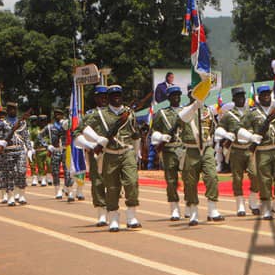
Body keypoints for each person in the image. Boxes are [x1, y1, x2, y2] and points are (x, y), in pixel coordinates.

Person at [82, 85, 142, 232]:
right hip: (109, 153)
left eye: (119, 94)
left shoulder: (129, 113)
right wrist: (96, 141)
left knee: (132, 182)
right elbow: (80, 129)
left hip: (127, 151)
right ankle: (113, 217)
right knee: (112, 187)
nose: (116, 97)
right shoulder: (99, 114)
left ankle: (131, 216)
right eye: (113, 95)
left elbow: (135, 134)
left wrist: (137, 152)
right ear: (108, 97)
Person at [175, 86, 224, 226]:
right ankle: (194, 211)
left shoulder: (208, 111)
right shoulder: (184, 111)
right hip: (190, 149)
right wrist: (194, 106)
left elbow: (214, 128)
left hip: (206, 148)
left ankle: (212, 210)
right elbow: (182, 119)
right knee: (190, 182)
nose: (196, 96)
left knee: (212, 177)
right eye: (193, 94)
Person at [245, 85, 275, 220]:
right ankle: (266, 207)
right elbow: (244, 130)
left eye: (268, 94)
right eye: (263, 94)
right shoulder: (252, 114)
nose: (266, 96)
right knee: (264, 181)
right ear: (258, 97)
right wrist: (252, 138)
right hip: (262, 151)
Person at [216, 86, 258, 216]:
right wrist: (227, 135)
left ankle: (252, 200)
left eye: (242, 96)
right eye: (238, 96)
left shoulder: (250, 113)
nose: (241, 99)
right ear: (233, 99)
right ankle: (240, 205)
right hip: (236, 150)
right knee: (237, 178)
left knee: (255, 175)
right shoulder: (228, 115)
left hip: (249, 149)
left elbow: (257, 128)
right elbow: (219, 129)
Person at [74, 86, 109, 226]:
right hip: (97, 153)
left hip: (114, 153)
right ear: (95, 98)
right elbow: (77, 133)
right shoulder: (90, 115)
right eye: (101, 97)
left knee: (114, 183)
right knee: (98, 182)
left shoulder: (116, 113)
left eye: (106, 96)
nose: (104, 99)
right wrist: (91, 145)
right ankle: (101, 212)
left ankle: (112, 212)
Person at [150, 85, 185, 221]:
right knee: (171, 181)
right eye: (173, 95)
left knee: (189, 178)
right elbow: (154, 132)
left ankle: (189, 204)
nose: (176, 97)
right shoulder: (161, 113)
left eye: (178, 95)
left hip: (184, 148)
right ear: (168, 98)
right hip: (169, 149)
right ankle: (174, 208)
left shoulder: (185, 111)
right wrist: (161, 137)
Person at [0, 102, 34, 206]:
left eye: (14, 109)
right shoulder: (2, 123)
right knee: (10, 174)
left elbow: (26, 137)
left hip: (20, 150)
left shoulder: (22, 122)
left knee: (21, 171)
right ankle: (10, 196)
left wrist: (30, 149)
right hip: (8, 151)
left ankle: (22, 195)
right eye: (10, 109)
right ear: (8, 110)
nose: (13, 111)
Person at [40, 109, 73, 201]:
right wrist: (47, 145)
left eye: (59, 114)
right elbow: (40, 136)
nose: (57, 116)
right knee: (55, 172)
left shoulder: (66, 125)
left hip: (65, 150)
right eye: (56, 114)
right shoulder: (50, 127)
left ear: (63, 115)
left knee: (68, 171)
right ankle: (57, 190)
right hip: (55, 150)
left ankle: (68, 188)